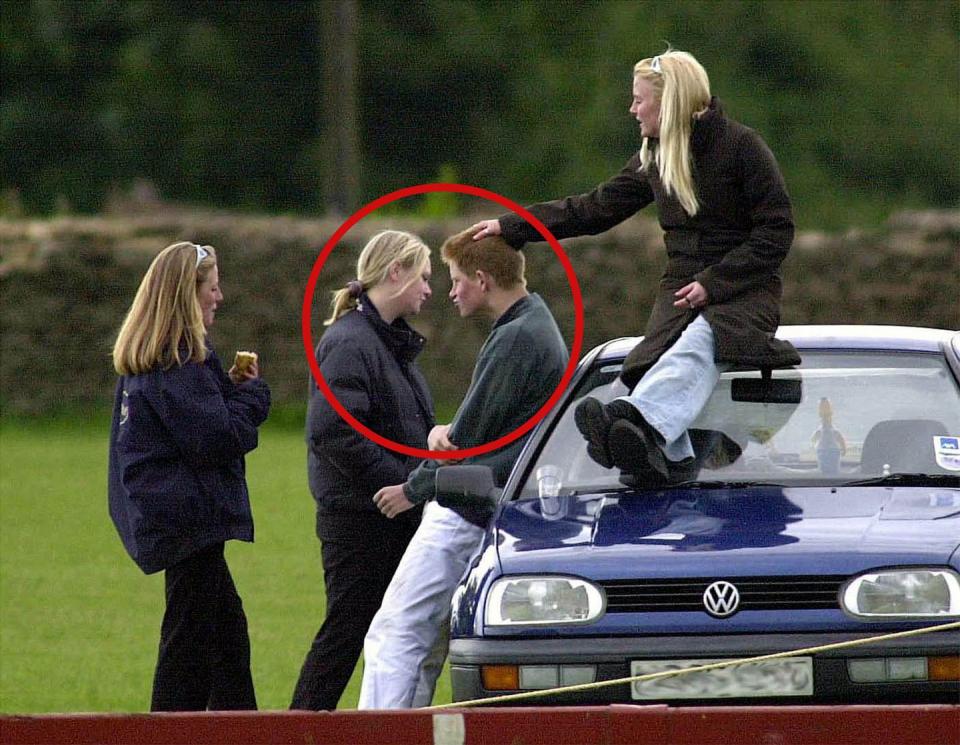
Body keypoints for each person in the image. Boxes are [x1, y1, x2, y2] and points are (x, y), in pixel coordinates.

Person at [471, 48, 800, 481]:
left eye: (639, 100)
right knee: (645, 364)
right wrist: (513, 227)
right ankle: (668, 452)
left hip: (744, 290)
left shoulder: (742, 147)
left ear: (669, 103)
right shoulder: (653, 156)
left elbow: (776, 232)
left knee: (700, 343)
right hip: (681, 291)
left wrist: (714, 284)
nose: (632, 109)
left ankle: (639, 425)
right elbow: (594, 208)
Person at [358, 227, 568, 709]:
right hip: (489, 503)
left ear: (481, 279)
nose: (450, 292)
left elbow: (464, 442)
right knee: (426, 643)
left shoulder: (516, 338)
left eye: (455, 280)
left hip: (463, 512)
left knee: (395, 634)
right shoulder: (534, 322)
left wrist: (414, 485)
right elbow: (493, 426)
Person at [108, 241, 271, 711]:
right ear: (187, 293)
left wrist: (227, 389)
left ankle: (240, 732)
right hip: (188, 522)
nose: (219, 298)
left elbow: (196, 420)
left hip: (173, 517)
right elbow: (217, 437)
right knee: (190, 646)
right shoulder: (178, 358)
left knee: (224, 639)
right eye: (212, 288)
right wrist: (254, 396)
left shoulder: (157, 358)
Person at [290, 230, 435, 711]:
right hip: (361, 521)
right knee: (346, 633)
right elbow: (330, 431)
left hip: (387, 517)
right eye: (423, 277)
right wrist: (396, 482)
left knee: (378, 631)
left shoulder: (383, 342)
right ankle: (300, 728)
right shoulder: (351, 342)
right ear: (396, 273)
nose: (428, 290)